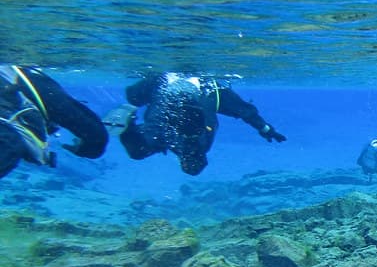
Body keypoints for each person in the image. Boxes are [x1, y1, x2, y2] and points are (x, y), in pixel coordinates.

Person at [108, 72, 286, 176]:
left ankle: (130, 114)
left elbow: (245, 111)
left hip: (164, 94)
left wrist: (265, 129)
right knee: (139, 148)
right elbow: (245, 111)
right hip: (166, 106)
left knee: (133, 97)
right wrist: (265, 129)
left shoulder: (212, 92)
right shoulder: (212, 90)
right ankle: (129, 120)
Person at [0, 64, 108, 179]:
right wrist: (87, 150)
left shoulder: (30, 84)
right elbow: (96, 134)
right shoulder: (47, 96)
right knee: (12, 142)